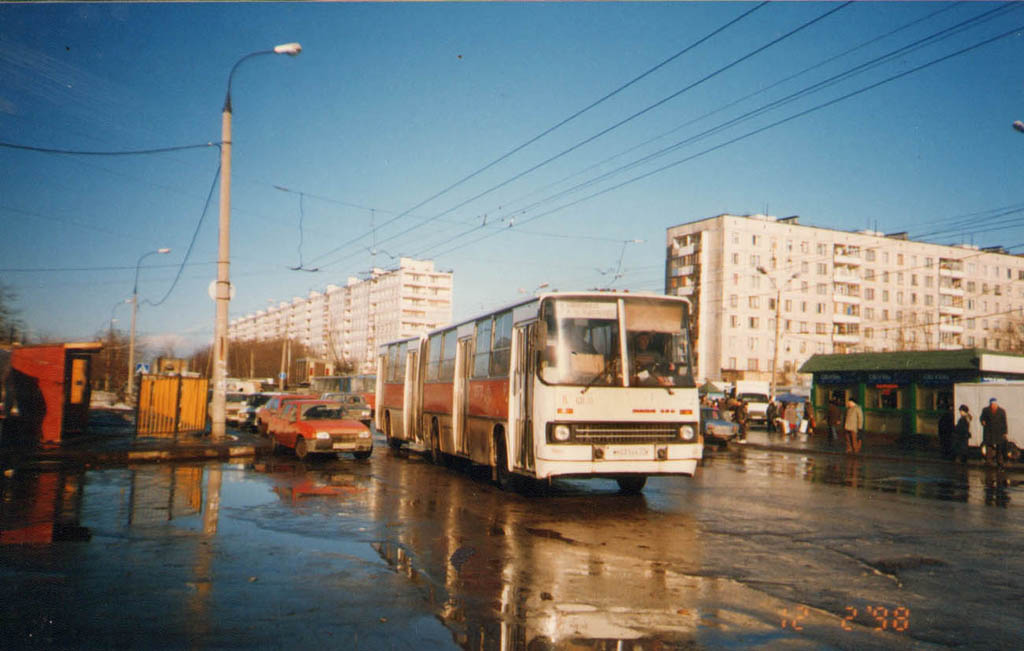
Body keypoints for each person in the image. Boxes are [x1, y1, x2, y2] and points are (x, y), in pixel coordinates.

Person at [979, 397, 1009, 467]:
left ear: (996, 404)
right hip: (988, 432)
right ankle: (988, 461)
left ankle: (1000, 462)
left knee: (999, 448)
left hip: (998, 432)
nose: (993, 405)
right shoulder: (985, 410)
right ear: (990, 404)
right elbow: (982, 418)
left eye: (994, 404)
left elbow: (1004, 422)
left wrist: (1005, 432)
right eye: (992, 404)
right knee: (989, 447)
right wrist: (982, 421)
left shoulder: (1001, 411)